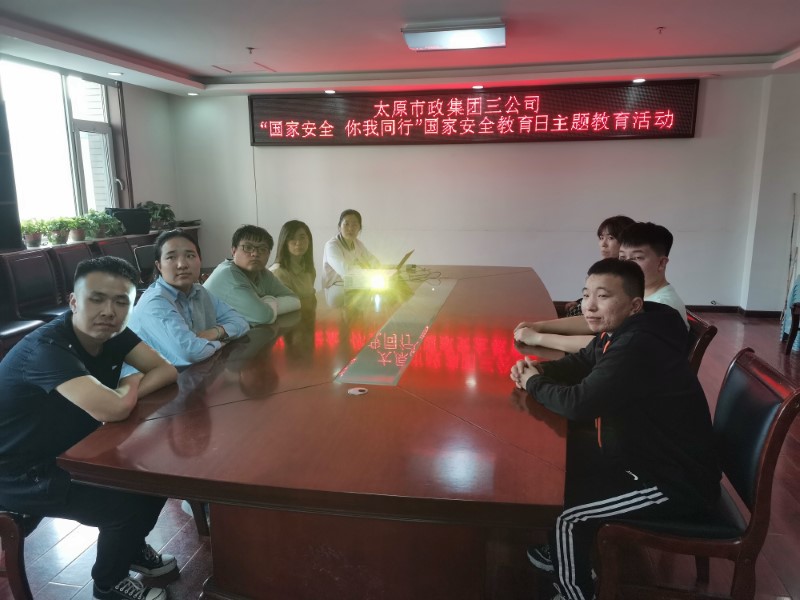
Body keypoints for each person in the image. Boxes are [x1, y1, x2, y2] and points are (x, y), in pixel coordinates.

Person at [510, 258, 720, 600]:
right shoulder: (622, 330)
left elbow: (579, 404)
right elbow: (582, 362)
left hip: (672, 481)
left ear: (634, 304)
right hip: (639, 454)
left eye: (603, 296)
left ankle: (576, 592)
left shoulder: (638, 345)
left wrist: (534, 384)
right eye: (586, 295)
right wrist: (539, 372)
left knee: (566, 514)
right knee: (556, 473)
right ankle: (567, 554)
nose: (589, 306)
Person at [0, 256, 179, 600]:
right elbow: (113, 409)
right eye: (96, 299)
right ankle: (109, 583)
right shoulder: (47, 349)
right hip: (19, 471)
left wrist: (125, 388)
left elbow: (166, 370)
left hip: (70, 449)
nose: (109, 311)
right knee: (124, 505)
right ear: (73, 301)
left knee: (157, 477)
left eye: (121, 301)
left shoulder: (113, 333)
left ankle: (129, 548)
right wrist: (128, 387)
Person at [514, 221, 687, 353]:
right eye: (622, 257)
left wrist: (537, 337)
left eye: (637, 258)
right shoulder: (642, 294)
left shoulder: (663, 307)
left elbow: (605, 346)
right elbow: (591, 320)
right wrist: (540, 326)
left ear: (661, 263)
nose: (627, 265)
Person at [128, 229, 249, 368]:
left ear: (200, 260)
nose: (182, 265)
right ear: (159, 266)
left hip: (192, 371)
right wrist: (224, 342)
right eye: (171, 257)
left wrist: (215, 332)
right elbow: (190, 353)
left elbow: (241, 322)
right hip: (145, 378)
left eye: (190, 256)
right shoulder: (155, 302)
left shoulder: (199, 291)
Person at [204, 225, 302, 324]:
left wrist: (264, 303)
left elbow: (294, 300)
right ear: (233, 251)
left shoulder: (263, 273)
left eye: (262, 249)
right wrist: (267, 304)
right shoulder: (228, 274)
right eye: (248, 247)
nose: (255, 253)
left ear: (268, 254)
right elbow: (262, 316)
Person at [563, 215, 635, 316]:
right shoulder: (602, 267)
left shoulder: (629, 271)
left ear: (627, 241)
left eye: (610, 238)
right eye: (601, 238)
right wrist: (580, 301)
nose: (603, 244)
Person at [321, 209, 379, 289]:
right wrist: (366, 270)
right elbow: (345, 270)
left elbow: (371, 259)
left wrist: (381, 269)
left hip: (357, 283)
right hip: (336, 286)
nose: (350, 228)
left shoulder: (358, 244)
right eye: (346, 224)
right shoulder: (331, 246)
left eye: (354, 225)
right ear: (339, 227)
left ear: (359, 229)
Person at [269, 220, 317, 302]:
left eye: (302, 237)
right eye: (292, 238)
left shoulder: (309, 269)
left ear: (309, 240)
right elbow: (286, 304)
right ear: (284, 242)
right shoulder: (278, 272)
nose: (298, 243)